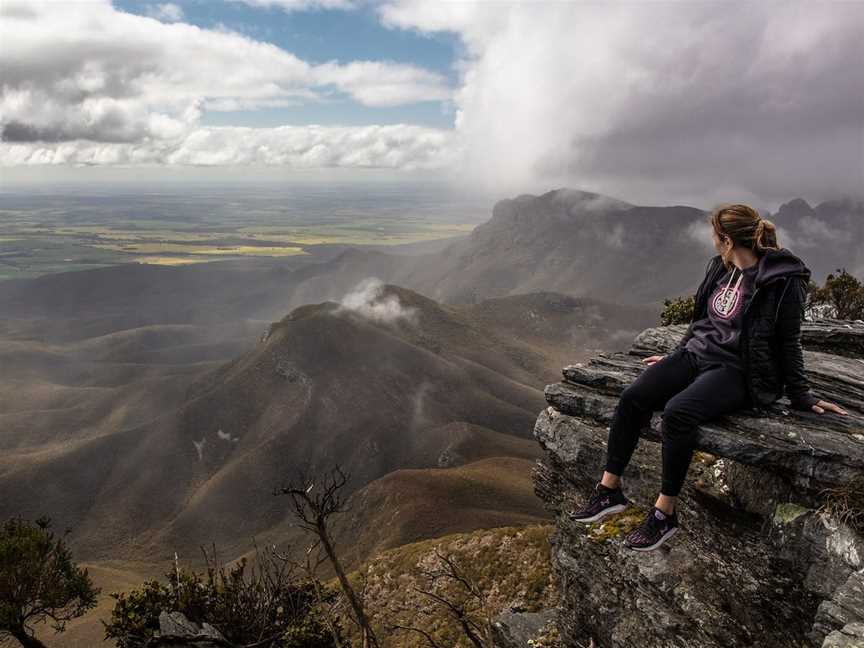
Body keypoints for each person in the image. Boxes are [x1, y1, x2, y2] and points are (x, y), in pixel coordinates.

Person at [568, 203, 848, 552]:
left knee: (678, 413)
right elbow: (701, 321)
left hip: (738, 370)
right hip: (696, 355)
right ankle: (609, 491)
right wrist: (674, 359)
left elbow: (789, 341)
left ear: (728, 240)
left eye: (717, 238)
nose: (715, 244)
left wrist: (802, 395)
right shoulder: (720, 268)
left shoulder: (782, 282)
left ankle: (663, 514)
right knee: (633, 397)